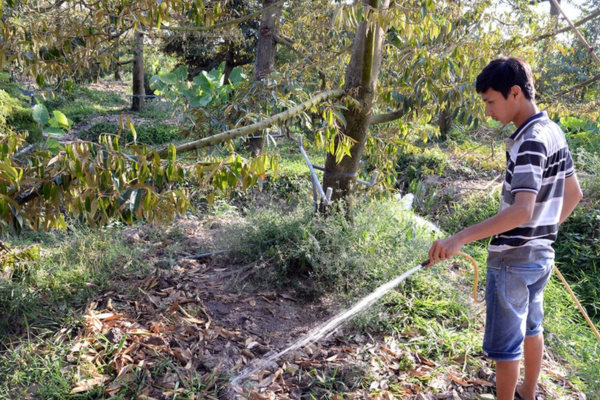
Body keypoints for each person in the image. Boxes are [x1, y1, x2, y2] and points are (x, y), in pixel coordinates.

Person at [427, 57, 583, 400]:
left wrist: (460, 237)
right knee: (532, 328)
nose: (487, 112)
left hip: (512, 261)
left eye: (490, 102)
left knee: (506, 347)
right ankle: (528, 393)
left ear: (515, 93)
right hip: (541, 257)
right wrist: (542, 232)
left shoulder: (528, 141)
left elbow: (522, 210)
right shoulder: (553, 131)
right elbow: (574, 194)